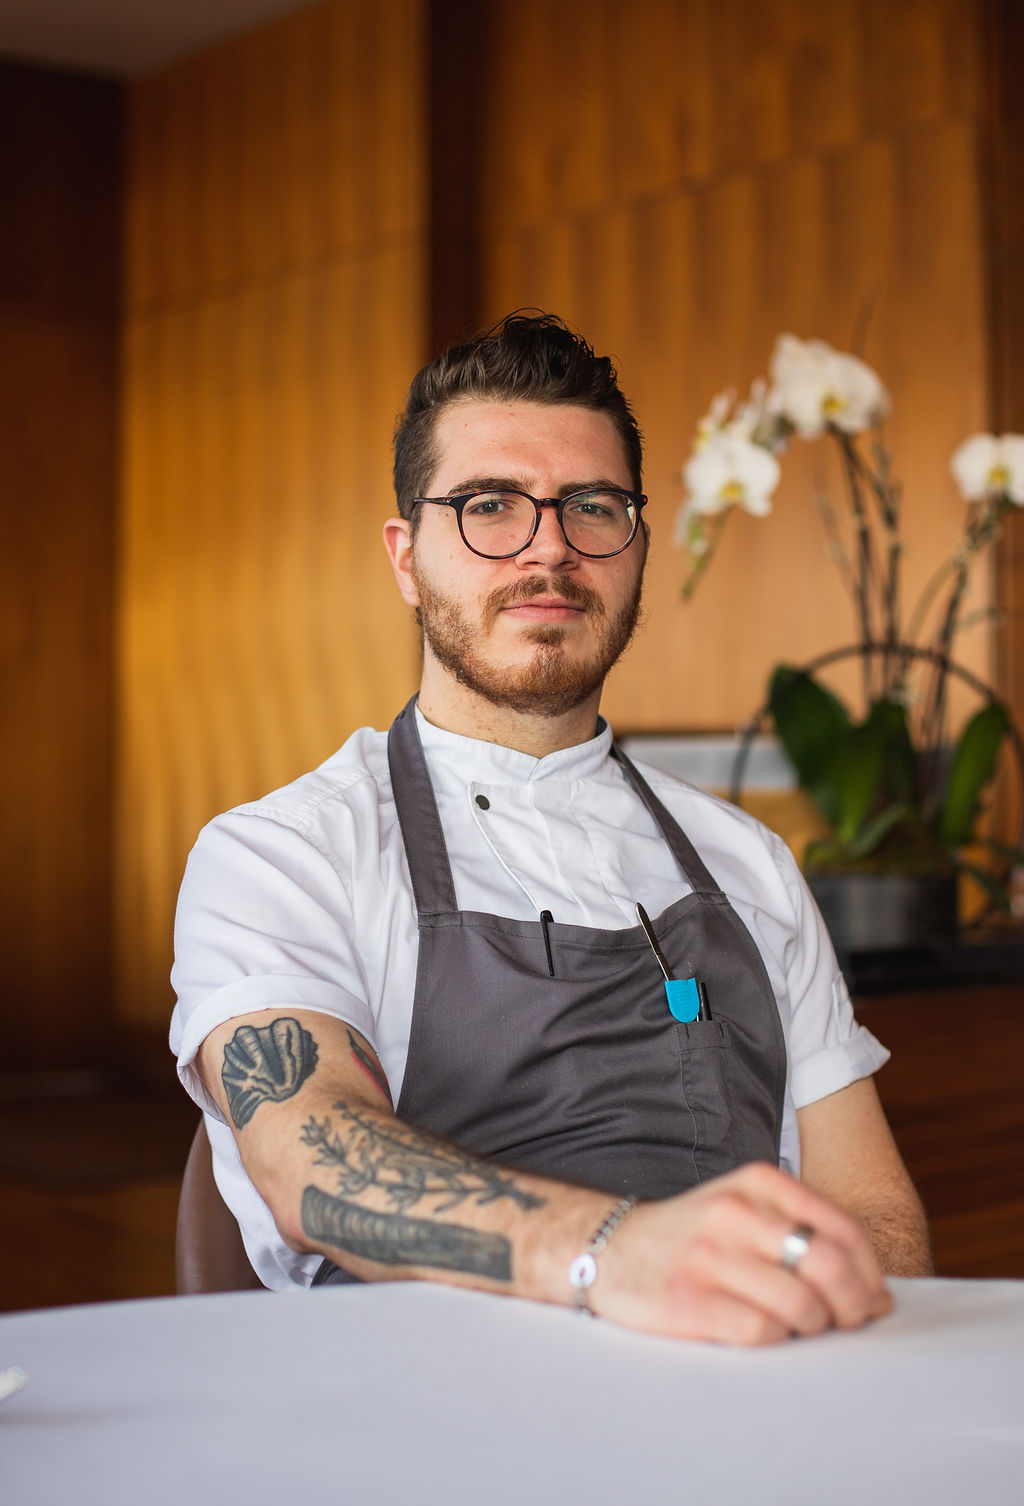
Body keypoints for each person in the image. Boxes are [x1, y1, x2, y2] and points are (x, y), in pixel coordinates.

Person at [170, 313, 932, 1345]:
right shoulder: (282, 852)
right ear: (406, 557)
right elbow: (315, 1161)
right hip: (414, 1440)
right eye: (490, 506)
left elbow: (870, 1205)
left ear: (636, 548)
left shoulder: (746, 858)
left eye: (591, 506)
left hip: (744, 1417)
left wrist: (845, 1361)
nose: (550, 549)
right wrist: (619, 1254)